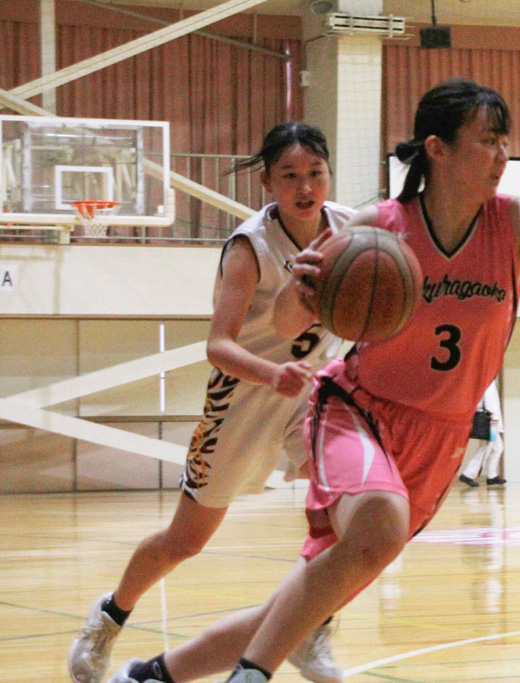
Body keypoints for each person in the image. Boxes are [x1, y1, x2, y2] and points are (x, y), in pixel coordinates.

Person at [106, 77, 520, 683]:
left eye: (505, 142)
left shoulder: (515, 220)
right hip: (357, 411)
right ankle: (251, 675)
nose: (503, 156)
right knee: (377, 526)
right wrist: (301, 286)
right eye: (489, 141)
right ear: (438, 148)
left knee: (300, 605)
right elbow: (288, 320)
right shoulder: (377, 226)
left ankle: (153, 676)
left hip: (442, 438)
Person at [67, 123, 353, 683]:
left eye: (315, 173)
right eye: (290, 176)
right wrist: (273, 373)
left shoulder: (349, 229)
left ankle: (312, 625)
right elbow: (217, 345)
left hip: (312, 397)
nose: (305, 187)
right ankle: (109, 615)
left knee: (347, 510)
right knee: (184, 541)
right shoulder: (251, 247)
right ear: (268, 182)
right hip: (244, 398)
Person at [459, 379, 506, 486]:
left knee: (498, 447)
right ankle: (468, 474)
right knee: (487, 447)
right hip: (491, 421)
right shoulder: (488, 381)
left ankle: (492, 476)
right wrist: (495, 419)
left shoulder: (482, 380)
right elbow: (491, 402)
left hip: (490, 420)